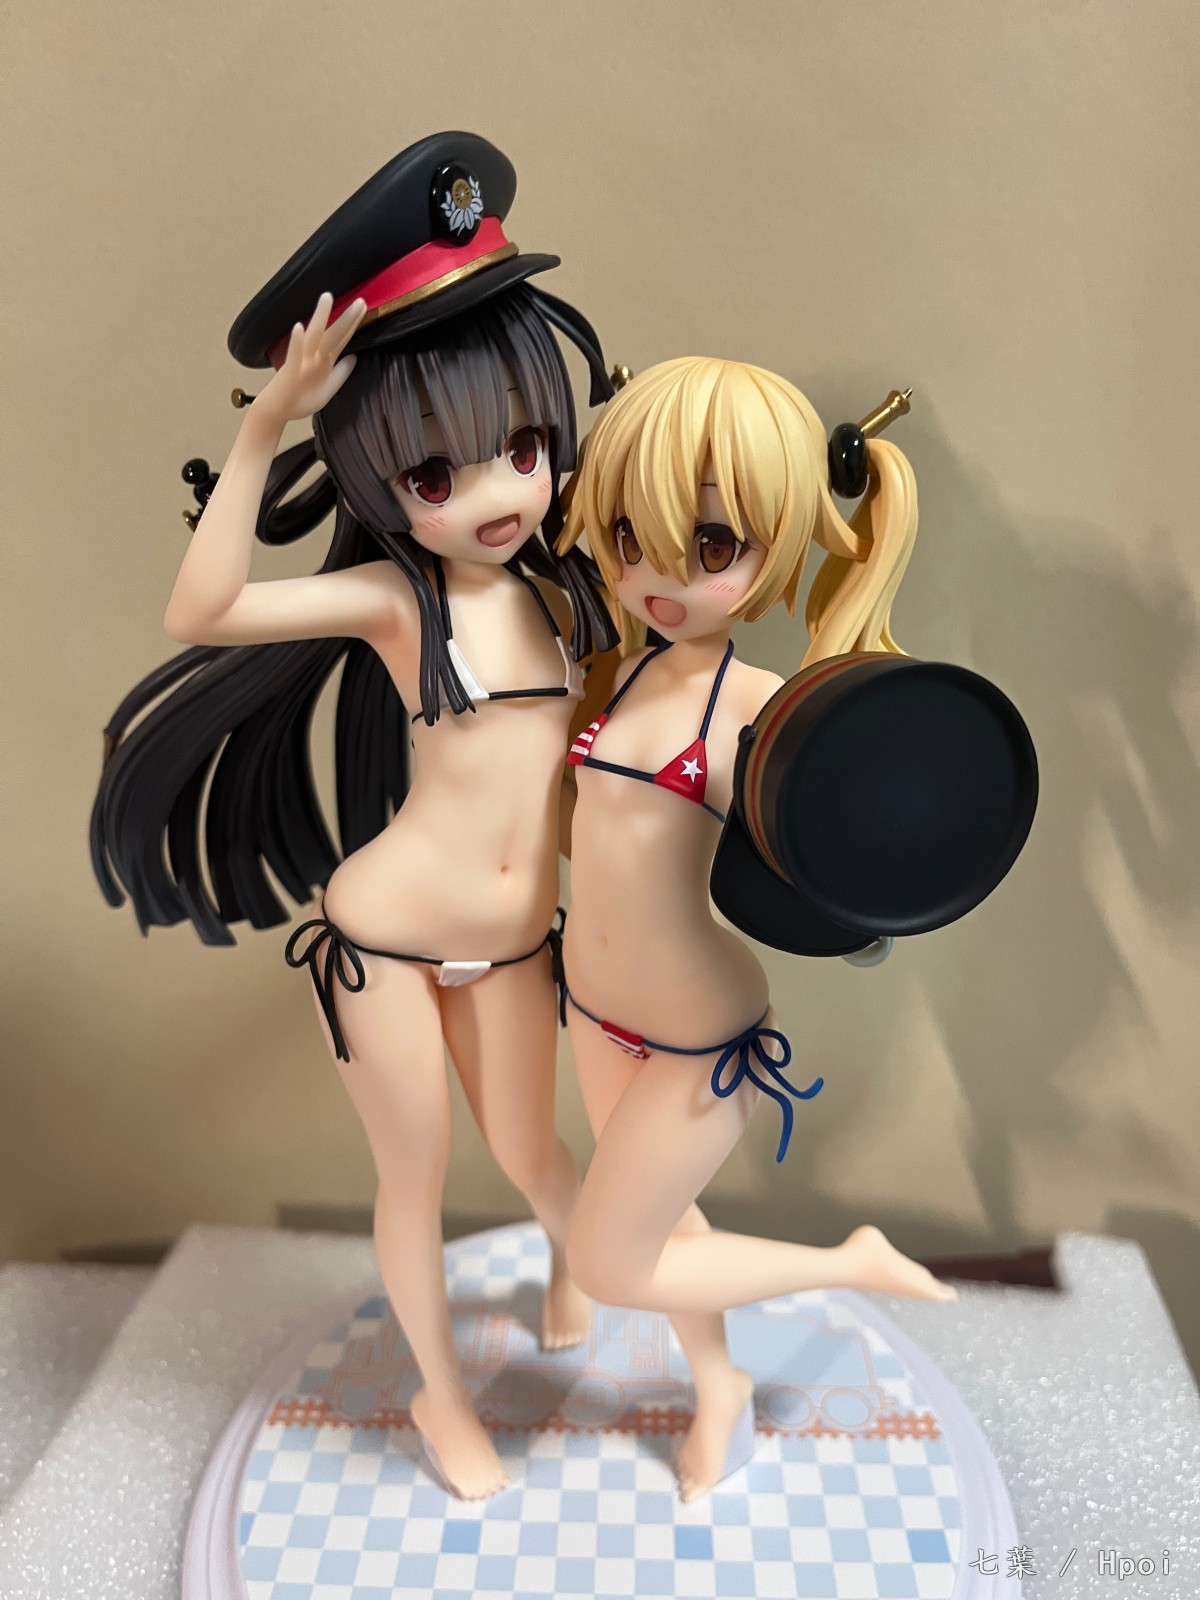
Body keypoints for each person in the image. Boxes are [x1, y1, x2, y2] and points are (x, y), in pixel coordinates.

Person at [90, 133, 618, 1499]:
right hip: (385, 939)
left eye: (523, 449)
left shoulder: (574, 595)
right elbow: (204, 609)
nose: (494, 494)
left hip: (517, 942)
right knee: (417, 1179)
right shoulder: (402, 603)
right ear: (386, 485)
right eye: (437, 477)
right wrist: (264, 427)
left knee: (541, 1153)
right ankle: (442, 1400)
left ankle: (589, 1277)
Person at [556, 356, 957, 1502]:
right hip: (593, 1008)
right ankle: (718, 1385)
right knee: (668, 1227)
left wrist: (857, 908)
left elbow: (838, 868)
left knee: (610, 1260)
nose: (660, 575)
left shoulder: (755, 709)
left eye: (713, 545)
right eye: (631, 537)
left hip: (696, 1039)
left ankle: (848, 1262)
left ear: (776, 545)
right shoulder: (620, 673)